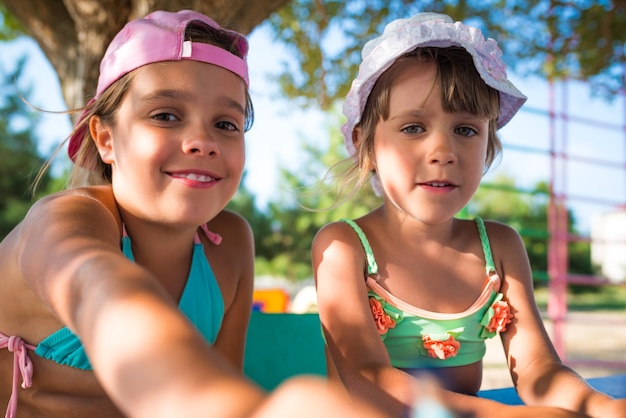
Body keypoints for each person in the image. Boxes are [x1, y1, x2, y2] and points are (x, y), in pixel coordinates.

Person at [0, 10, 389, 418]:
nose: (203, 141)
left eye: (225, 123)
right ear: (105, 138)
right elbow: (108, 299)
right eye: (166, 116)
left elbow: (221, 384)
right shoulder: (61, 222)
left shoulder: (231, 244)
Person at [312, 12, 626, 418]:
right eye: (413, 128)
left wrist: (601, 407)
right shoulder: (344, 247)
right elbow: (369, 383)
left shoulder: (499, 246)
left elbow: (536, 369)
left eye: (465, 129)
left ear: (488, 143)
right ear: (366, 145)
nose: (442, 151)